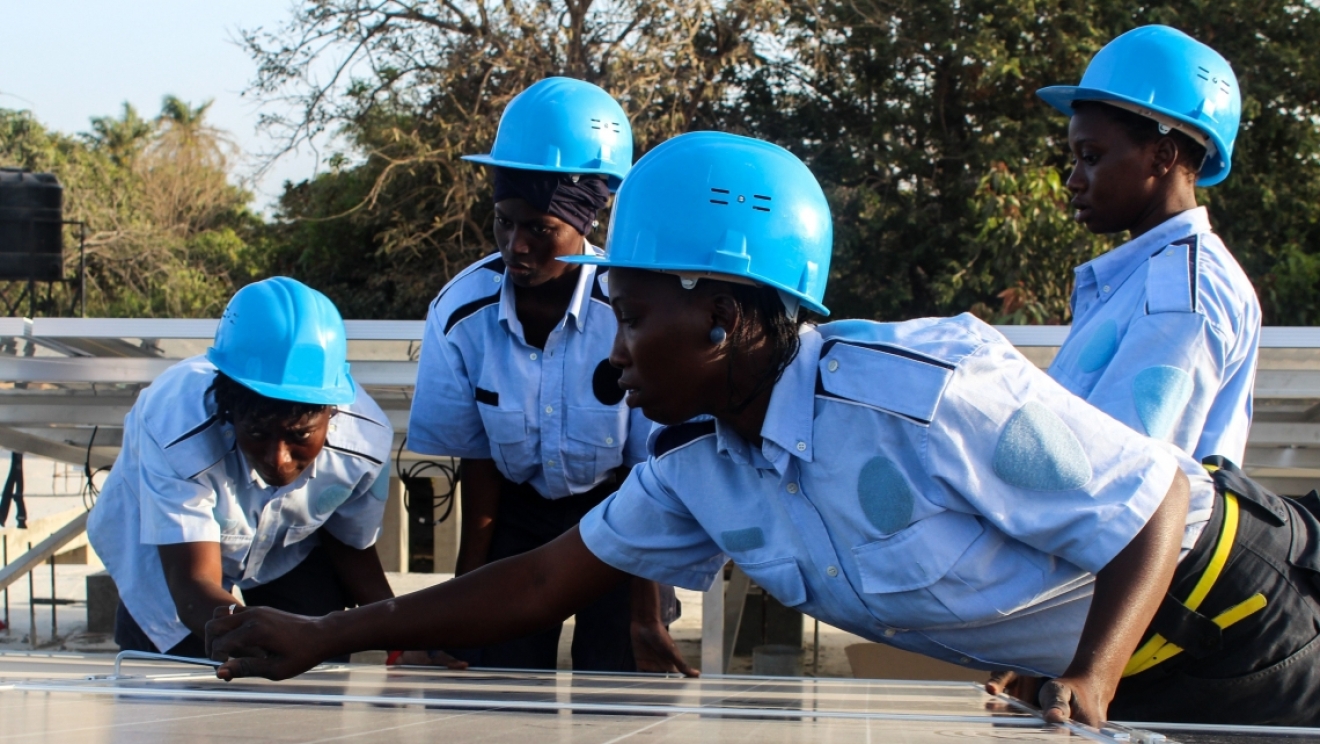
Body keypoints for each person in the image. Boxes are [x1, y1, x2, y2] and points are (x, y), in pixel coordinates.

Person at [208, 133, 1320, 727]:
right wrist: (319, 640)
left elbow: (1159, 500)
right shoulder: (702, 467)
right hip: (1133, 668)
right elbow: (542, 579)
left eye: (636, 318)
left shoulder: (918, 391)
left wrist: (1091, 673)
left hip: (1233, 604)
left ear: (731, 317)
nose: (613, 354)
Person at [407, 77, 689, 674]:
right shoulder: (461, 315)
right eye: (504, 223)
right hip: (517, 514)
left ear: (583, 225)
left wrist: (644, 615)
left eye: (539, 229)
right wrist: (463, 610)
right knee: (501, 688)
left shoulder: (631, 312)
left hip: (619, 515)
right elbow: (479, 467)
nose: (517, 246)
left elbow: (650, 470)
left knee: (615, 682)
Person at [88, 277, 417, 661]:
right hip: (171, 562)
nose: (278, 458)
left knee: (317, 664)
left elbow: (350, 544)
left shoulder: (363, 445)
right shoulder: (175, 428)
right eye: (258, 432)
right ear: (229, 409)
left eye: (299, 435)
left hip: (284, 549)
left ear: (332, 412)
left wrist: (403, 641)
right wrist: (256, 639)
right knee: (176, 685)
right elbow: (194, 585)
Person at [1038, 25, 1259, 465]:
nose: (1073, 180)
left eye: (1092, 157)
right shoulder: (1147, 278)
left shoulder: (1182, 295)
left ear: (1161, 157)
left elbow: (1118, 482)